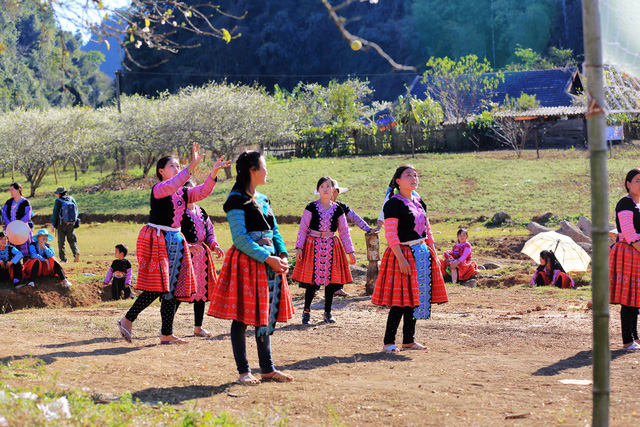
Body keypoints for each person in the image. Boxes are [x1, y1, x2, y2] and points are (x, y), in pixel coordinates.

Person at [117, 143, 230, 345]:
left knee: (172, 289)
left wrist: (213, 172)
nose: (177, 169)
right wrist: (191, 166)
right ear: (161, 171)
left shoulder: (182, 191)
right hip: (159, 239)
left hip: (176, 240)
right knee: (158, 286)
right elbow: (175, 183)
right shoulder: (159, 189)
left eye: (179, 166)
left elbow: (202, 192)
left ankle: (166, 334)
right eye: (173, 166)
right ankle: (127, 319)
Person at [208, 151, 294, 386]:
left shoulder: (264, 199)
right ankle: (243, 371)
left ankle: (267, 369)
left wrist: (282, 255)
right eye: (264, 166)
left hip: (270, 263)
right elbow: (240, 239)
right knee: (241, 317)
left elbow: (274, 231)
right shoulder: (235, 200)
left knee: (265, 315)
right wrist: (268, 258)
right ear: (252, 170)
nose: (267, 171)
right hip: (247, 264)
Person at [372, 165, 447, 354]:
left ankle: (408, 340)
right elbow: (391, 234)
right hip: (402, 255)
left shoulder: (419, 202)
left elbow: (427, 231)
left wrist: (434, 254)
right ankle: (388, 342)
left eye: (415, 175)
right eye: (408, 175)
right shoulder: (393, 204)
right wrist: (401, 259)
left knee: (416, 298)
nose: (414, 178)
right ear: (398, 181)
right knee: (400, 300)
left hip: (421, 254)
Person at [292, 177, 356, 325]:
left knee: (331, 281)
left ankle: (328, 312)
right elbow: (303, 228)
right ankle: (306, 312)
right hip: (312, 246)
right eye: (322, 186)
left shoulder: (338, 209)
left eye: (328, 186)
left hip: (331, 245)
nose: (326, 189)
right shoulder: (311, 207)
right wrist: (299, 247)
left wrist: (350, 251)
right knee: (311, 281)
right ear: (318, 190)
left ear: (333, 190)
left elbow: (344, 231)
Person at [177, 180, 224, 338]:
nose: (191, 193)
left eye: (193, 190)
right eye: (187, 190)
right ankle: (166, 328)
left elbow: (209, 231)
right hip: (185, 256)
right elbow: (175, 233)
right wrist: (187, 246)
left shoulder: (201, 211)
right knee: (179, 292)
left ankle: (198, 327)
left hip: (202, 258)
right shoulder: (178, 211)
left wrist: (214, 245)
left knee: (201, 293)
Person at [330, 179, 379, 297]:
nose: (333, 193)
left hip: (334, 239)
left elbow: (355, 218)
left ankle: (337, 288)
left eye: (335, 191)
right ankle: (314, 289)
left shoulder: (341, 207)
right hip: (318, 238)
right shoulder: (316, 206)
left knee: (339, 263)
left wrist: (368, 229)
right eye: (330, 190)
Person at [610, 168, 640, 350]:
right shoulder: (625, 203)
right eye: (637, 180)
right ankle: (627, 341)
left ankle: (635, 337)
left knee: (636, 296)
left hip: (636, 253)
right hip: (629, 251)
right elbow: (629, 234)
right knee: (629, 297)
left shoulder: (638, 205)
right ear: (628, 184)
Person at [2, 182, 33, 257]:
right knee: (10, 251)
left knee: (25, 252)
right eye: (10, 190)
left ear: (18, 190)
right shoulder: (8, 202)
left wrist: (18, 224)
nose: (11, 192)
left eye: (12, 190)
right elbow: (4, 213)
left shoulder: (25, 202)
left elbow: (28, 215)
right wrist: (9, 223)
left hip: (22, 228)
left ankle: (26, 262)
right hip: (9, 228)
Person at [50, 186, 80, 263]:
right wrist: (74, 220)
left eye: (57, 193)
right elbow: (76, 210)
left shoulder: (58, 201)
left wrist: (53, 224)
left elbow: (55, 213)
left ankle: (63, 259)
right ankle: (76, 252)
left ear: (59, 194)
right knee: (72, 240)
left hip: (61, 224)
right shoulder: (71, 199)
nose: (56, 195)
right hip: (71, 223)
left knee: (61, 242)